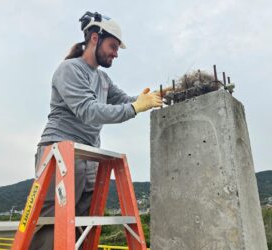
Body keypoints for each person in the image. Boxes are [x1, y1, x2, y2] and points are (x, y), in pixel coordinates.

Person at [30, 11, 164, 249]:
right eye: (113, 46)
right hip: (59, 149)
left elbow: (125, 100)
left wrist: (152, 97)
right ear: (94, 38)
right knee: (54, 222)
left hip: (88, 154)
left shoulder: (103, 79)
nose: (116, 53)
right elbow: (88, 110)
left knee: (84, 222)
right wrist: (135, 107)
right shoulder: (70, 69)